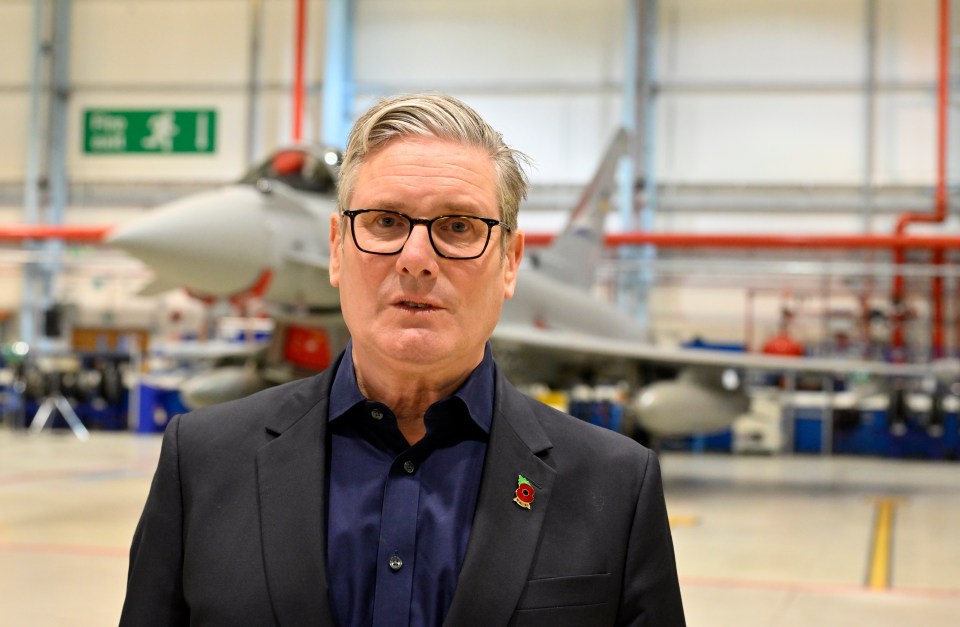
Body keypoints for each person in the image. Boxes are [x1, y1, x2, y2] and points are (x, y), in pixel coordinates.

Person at [120, 93, 685, 627]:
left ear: (509, 262)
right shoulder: (199, 464)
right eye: (386, 221)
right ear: (337, 248)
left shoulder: (618, 486)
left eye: (459, 227)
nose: (416, 259)